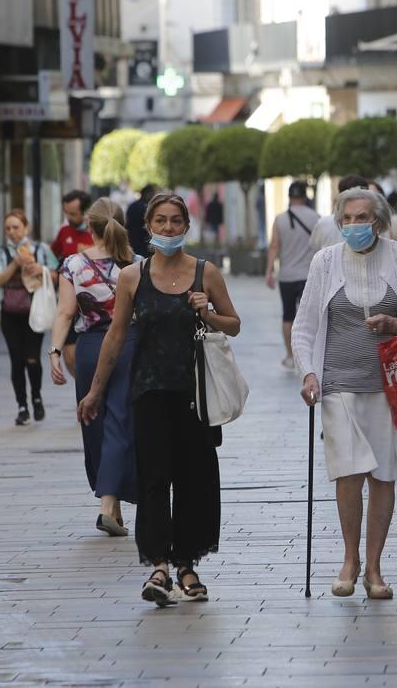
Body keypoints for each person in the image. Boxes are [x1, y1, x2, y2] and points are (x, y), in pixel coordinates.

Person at [80, 193, 241, 606]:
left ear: (186, 227)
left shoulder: (206, 273)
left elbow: (234, 324)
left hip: (196, 396)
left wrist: (207, 313)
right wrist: (96, 390)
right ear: (148, 228)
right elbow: (116, 335)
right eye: (161, 221)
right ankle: (159, 566)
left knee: (195, 481)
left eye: (175, 221)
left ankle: (186, 563)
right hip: (149, 392)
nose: (168, 229)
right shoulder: (133, 277)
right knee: (154, 481)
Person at [293, 187, 397, 600]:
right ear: (338, 223)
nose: (356, 226)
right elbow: (305, 327)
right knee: (347, 471)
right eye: (348, 219)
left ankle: (374, 566)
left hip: (389, 385)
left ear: (379, 221)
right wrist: (308, 374)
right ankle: (349, 558)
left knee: (382, 474)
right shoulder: (325, 261)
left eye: (364, 218)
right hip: (339, 382)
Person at [50, 198, 140, 536]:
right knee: (121, 420)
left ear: (89, 227)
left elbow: (65, 313)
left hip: (89, 349)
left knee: (95, 423)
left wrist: (55, 352)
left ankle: (108, 503)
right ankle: (110, 505)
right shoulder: (138, 265)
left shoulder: (73, 264)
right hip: (130, 345)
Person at [0, 210, 59, 425]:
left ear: (25, 228)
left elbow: (57, 275)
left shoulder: (41, 250)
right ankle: (22, 405)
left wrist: (39, 269)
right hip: (10, 313)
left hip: (34, 310)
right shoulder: (2, 253)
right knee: (16, 360)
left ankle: (36, 397)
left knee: (32, 358)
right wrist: (14, 264)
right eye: (8, 228)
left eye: (16, 227)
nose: (12, 232)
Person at [266, 180, 320, 370]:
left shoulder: (280, 219)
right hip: (310, 275)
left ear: (289, 197)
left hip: (287, 276)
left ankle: (290, 356)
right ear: (305, 196)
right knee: (311, 317)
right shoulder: (316, 218)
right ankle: (311, 355)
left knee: (288, 316)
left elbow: (274, 246)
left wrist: (269, 271)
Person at [52, 189, 94, 373]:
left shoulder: (97, 233)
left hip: (94, 303)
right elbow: (53, 258)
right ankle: (84, 393)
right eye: (66, 212)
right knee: (69, 355)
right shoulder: (64, 232)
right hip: (69, 300)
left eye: (73, 214)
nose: (68, 217)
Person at [308, 174, 370, 251]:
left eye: (361, 217)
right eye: (347, 218)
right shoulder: (372, 224)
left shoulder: (323, 223)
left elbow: (314, 247)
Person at [125, 184, 158, 259]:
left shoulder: (132, 205)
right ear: (148, 194)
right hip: (144, 244)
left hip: (132, 241)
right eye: (153, 194)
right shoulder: (146, 208)